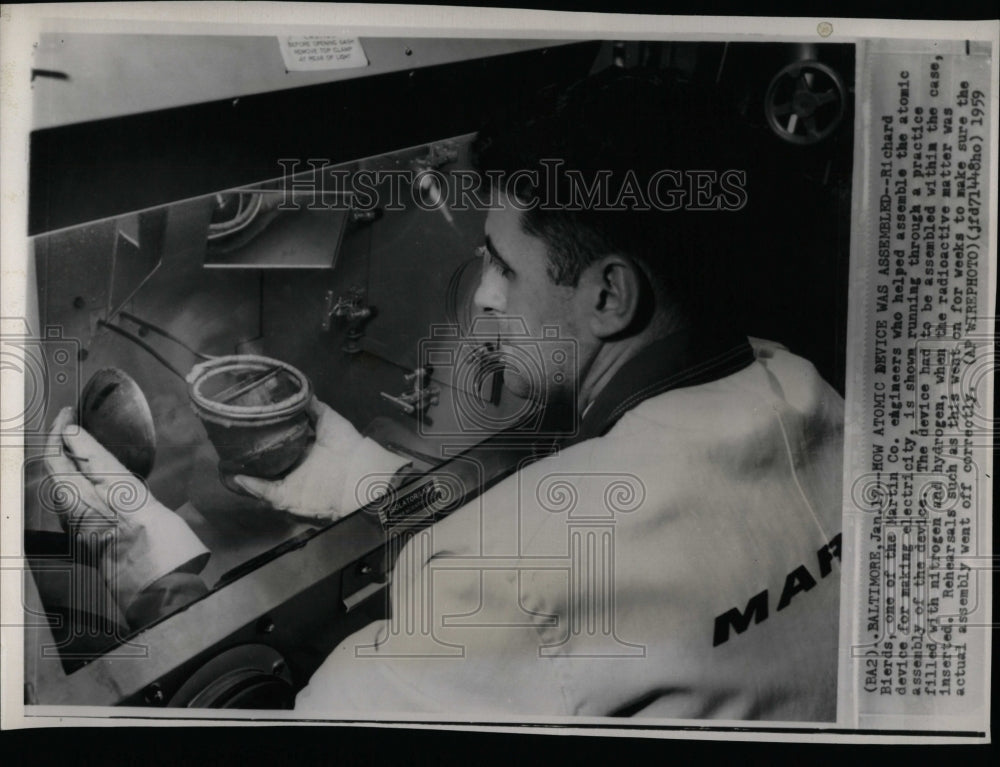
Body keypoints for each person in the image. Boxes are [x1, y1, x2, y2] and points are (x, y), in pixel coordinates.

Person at [45, 68, 844, 720]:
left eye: (504, 264)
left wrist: (161, 586)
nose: (486, 298)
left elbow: (291, 724)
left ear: (610, 296)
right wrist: (374, 485)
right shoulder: (809, 393)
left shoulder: (527, 570)